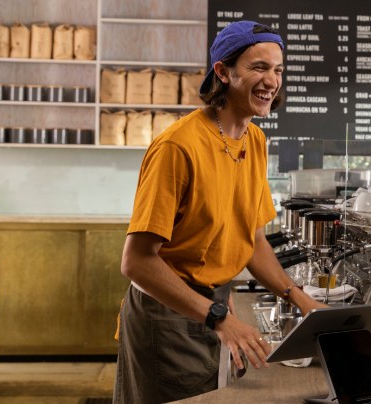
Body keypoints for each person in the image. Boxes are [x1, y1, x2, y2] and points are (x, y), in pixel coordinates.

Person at [113, 20, 325, 403]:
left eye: (278, 69)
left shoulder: (255, 140)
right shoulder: (178, 147)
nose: (271, 81)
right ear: (223, 73)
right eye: (258, 67)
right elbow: (137, 262)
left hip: (213, 308)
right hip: (168, 315)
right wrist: (218, 318)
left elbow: (253, 239)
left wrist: (299, 297)